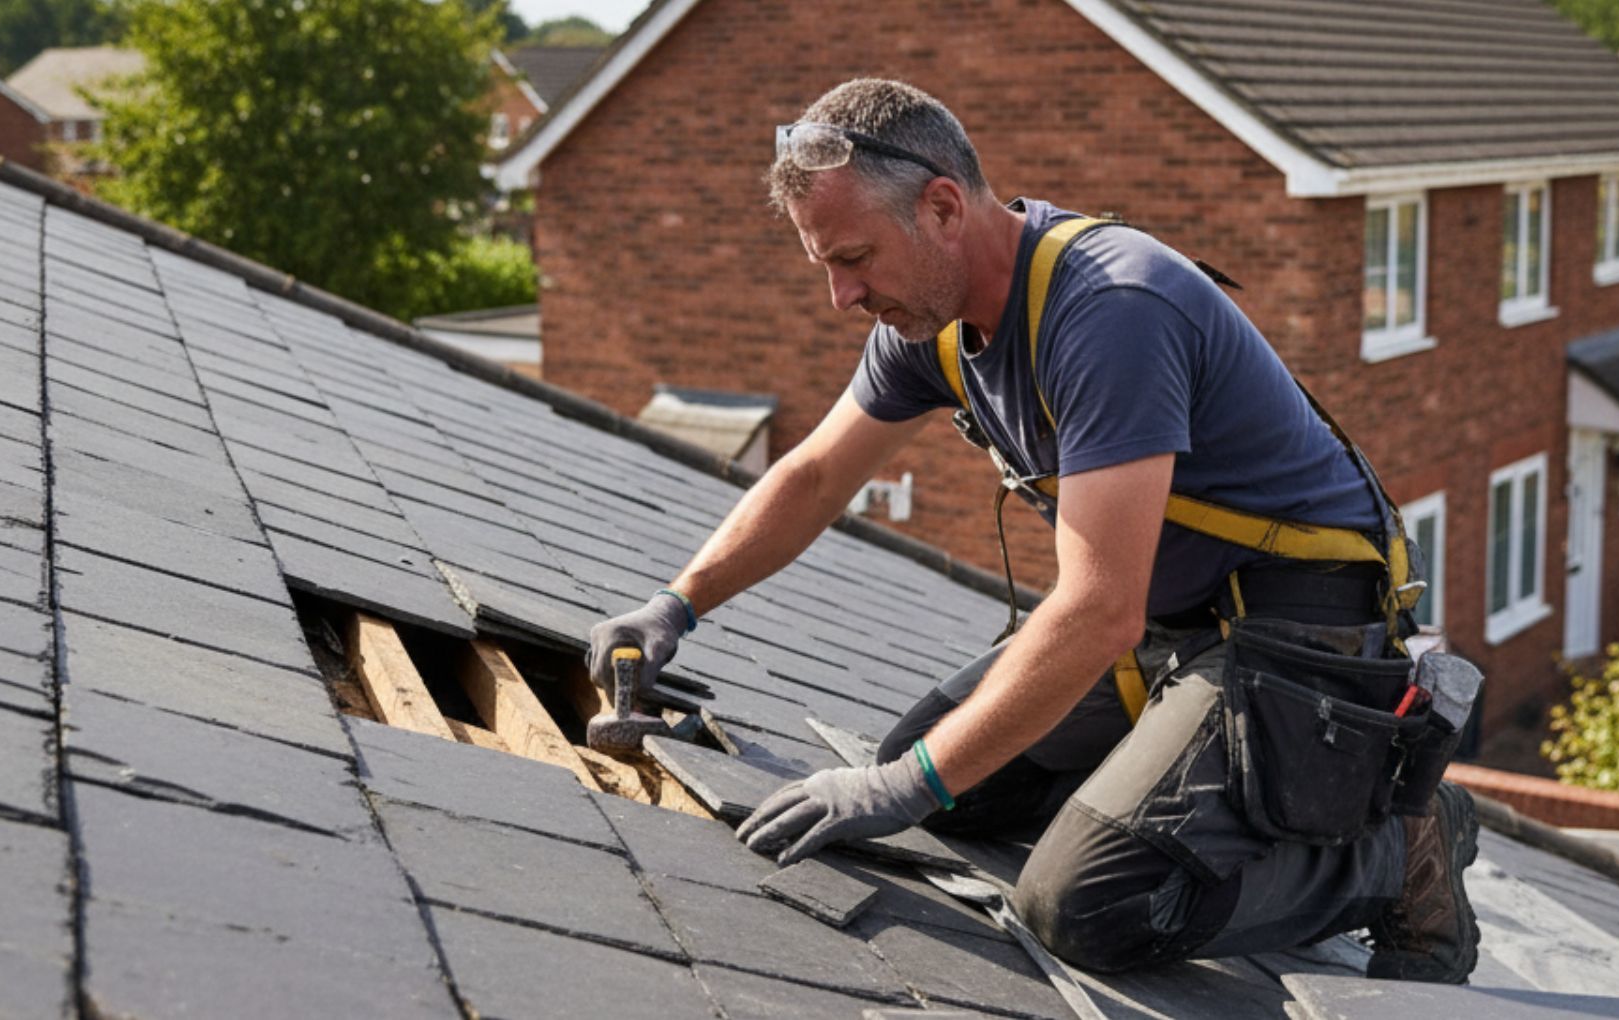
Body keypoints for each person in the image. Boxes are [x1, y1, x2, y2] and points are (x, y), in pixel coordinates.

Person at [588, 78, 1479, 983]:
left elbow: (1098, 614)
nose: (840, 296)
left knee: (1087, 905)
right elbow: (815, 474)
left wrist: (898, 790)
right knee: (940, 783)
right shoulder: (933, 325)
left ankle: (1396, 850)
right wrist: (675, 604)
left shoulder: (1112, 310)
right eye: (826, 263)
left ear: (942, 207)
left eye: (854, 257)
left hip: (1298, 626)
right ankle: (1167, 800)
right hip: (1175, 628)